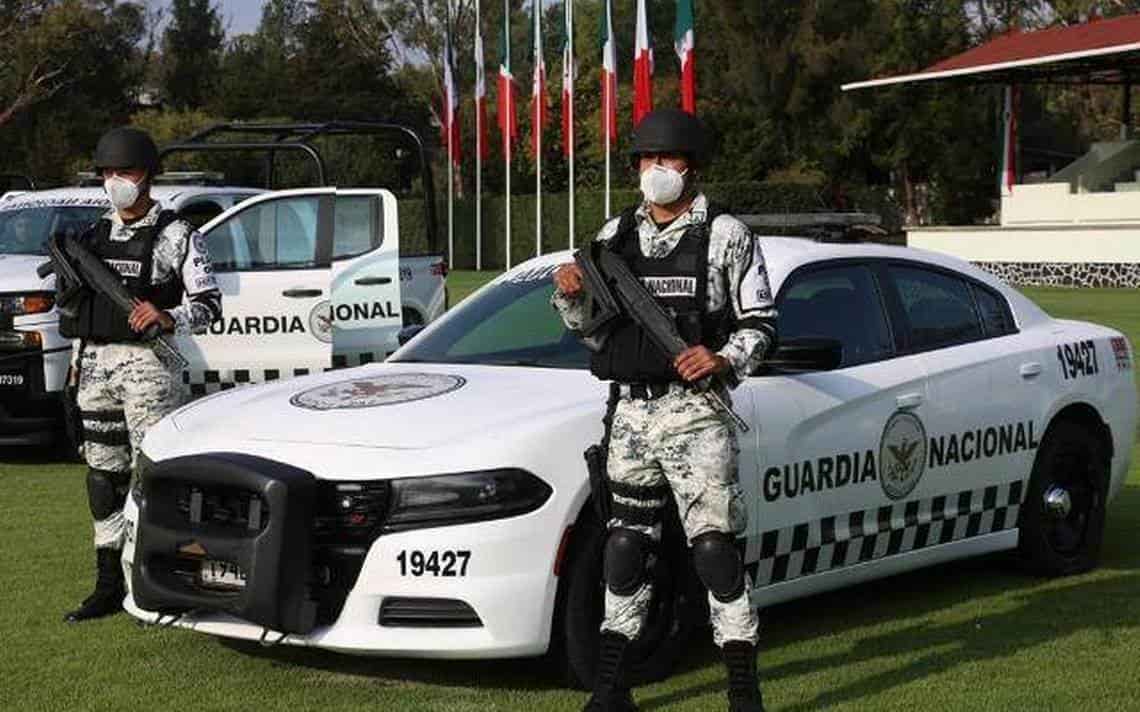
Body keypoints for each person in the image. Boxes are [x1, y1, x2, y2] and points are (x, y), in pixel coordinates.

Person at [552, 108, 777, 712]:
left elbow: (762, 325)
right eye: (648, 160)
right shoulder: (613, 236)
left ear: (692, 168)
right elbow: (590, 331)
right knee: (624, 551)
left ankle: (742, 692)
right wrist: (568, 294)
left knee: (714, 554)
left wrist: (723, 357)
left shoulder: (727, 236)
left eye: (668, 159)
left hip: (697, 415)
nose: (657, 170)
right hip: (630, 417)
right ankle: (609, 690)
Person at [61, 127, 222, 623]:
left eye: (124, 172)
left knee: (155, 477)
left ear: (147, 175)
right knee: (103, 479)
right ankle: (109, 584)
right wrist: (74, 365)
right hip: (94, 367)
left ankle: (168, 582)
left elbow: (211, 305)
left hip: (150, 370)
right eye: (108, 173)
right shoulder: (91, 235)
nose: (115, 181)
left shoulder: (178, 235)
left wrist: (168, 317)